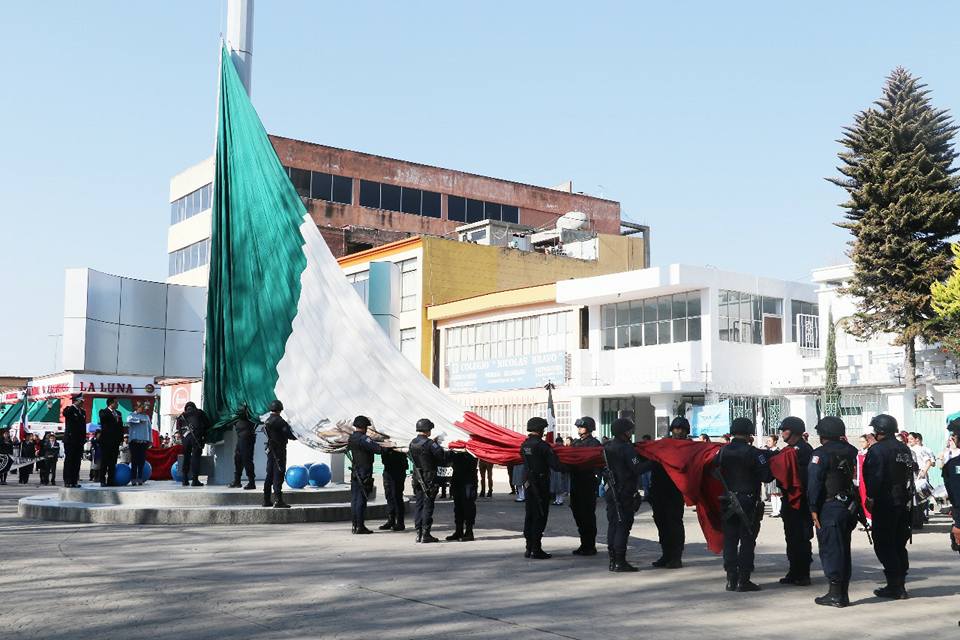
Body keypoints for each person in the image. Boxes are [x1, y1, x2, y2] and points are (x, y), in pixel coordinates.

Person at [714, 417, 772, 592]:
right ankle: (744, 579)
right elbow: (767, 477)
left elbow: (714, 470)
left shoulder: (722, 452)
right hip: (747, 501)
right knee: (747, 540)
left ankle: (731, 578)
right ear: (749, 433)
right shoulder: (755, 453)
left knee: (730, 540)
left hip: (728, 500)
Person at [807, 416, 859, 608]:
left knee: (831, 550)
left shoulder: (820, 454)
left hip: (829, 507)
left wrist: (812, 508)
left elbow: (814, 483)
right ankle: (841, 591)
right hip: (849, 507)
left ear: (822, 435)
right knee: (844, 548)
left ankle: (836, 594)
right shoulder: (852, 451)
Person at [862, 414, 914, 599]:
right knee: (899, 543)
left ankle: (895, 586)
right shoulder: (904, 448)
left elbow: (875, 476)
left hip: (886, 502)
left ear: (880, 431)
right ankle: (900, 583)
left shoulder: (878, 450)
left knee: (884, 543)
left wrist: (871, 496)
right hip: (903, 502)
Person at [604, 417, 647, 572]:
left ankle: (612, 560)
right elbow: (637, 468)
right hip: (624, 491)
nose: (631, 433)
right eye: (629, 430)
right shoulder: (626, 448)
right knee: (623, 525)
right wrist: (654, 462)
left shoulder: (607, 447)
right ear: (623, 432)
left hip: (611, 490)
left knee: (613, 525)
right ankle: (620, 562)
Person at [777, 416, 814, 587]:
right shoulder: (789, 450)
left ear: (793, 431)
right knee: (791, 537)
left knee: (801, 538)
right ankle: (794, 571)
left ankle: (803, 573)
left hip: (802, 502)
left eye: (784, 429)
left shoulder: (803, 450)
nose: (781, 433)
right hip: (790, 501)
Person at [649, 416, 689, 569]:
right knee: (661, 523)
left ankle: (676, 557)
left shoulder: (689, 448)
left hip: (675, 492)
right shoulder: (662, 445)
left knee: (674, 524)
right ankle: (666, 555)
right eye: (676, 429)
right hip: (658, 490)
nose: (678, 432)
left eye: (682, 429)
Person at [520, 416, 563, 559]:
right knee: (540, 516)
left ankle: (529, 547)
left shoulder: (524, 445)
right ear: (540, 429)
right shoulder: (543, 446)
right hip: (540, 485)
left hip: (528, 484)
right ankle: (536, 549)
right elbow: (555, 465)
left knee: (530, 515)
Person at [409, 418, 448, 543]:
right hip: (429, 478)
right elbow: (441, 457)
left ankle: (418, 533)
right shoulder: (430, 444)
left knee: (419, 505)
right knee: (428, 506)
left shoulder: (412, 442)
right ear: (427, 430)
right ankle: (426, 534)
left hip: (417, 477)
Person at [569, 416, 601, 556]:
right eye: (578, 427)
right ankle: (584, 543)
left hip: (587, 483)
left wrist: (596, 479)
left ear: (588, 428)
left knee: (588, 516)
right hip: (576, 483)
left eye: (581, 427)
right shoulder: (575, 443)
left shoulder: (594, 444)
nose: (579, 429)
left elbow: (598, 463)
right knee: (578, 515)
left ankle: (590, 545)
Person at [263, 400, 296, 509]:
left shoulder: (267, 421)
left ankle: (266, 500)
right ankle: (278, 501)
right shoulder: (281, 422)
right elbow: (290, 435)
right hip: (279, 451)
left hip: (270, 450)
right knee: (278, 473)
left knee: (269, 474)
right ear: (280, 409)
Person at [177, 401, 211, 487]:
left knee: (186, 458)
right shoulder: (199, 413)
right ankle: (195, 480)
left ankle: (185, 479)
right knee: (196, 458)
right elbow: (207, 424)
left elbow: (179, 429)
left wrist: (183, 438)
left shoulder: (181, 416)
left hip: (186, 439)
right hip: (197, 438)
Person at [447, 449, 479, 541]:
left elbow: (471, 461)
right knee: (458, 507)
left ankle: (469, 532)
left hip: (469, 480)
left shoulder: (471, 449)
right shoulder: (455, 450)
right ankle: (458, 531)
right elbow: (447, 459)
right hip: (457, 479)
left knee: (468, 506)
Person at [907, 432, 935, 529]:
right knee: (912, 499)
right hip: (911, 476)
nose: (909, 441)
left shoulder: (921, 449)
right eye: (908, 439)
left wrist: (923, 472)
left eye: (911, 439)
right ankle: (914, 520)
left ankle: (919, 521)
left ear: (916, 439)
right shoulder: (908, 449)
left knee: (920, 499)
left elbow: (929, 462)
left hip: (919, 476)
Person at [378, 445, 407, 531]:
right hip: (388, 470)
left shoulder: (398, 443)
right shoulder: (385, 444)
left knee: (397, 496)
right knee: (389, 495)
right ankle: (391, 520)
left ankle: (400, 522)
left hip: (398, 470)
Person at [228, 405, 257, 490]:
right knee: (238, 460)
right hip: (241, 441)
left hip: (247, 441)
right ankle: (237, 481)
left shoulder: (251, 419)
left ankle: (251, 482)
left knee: (247, 461)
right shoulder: (237, 420)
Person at [942, 419, 960, 554]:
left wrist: (958, 524)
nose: (952, 438)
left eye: (954, 434)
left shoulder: (954, 465)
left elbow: (957, 496)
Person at [62, 394, 86, 488]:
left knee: (77, 461)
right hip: (70, 440)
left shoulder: (82, 412)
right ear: (76, 401)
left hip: (79, 441)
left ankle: (74, 480)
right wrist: (73, 405)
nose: (82, 403)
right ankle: (68, 481)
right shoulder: (70, 409)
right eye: (81, 401)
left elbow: (83, 426)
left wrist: (84, 438)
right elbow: (65, 414)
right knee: (69, 461)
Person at [98, 398, 123, 486]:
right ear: (111, 403)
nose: (117, 405)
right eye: (116, 403)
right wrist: (113, 416)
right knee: (104, 461)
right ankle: (102, 480)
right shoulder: (103, 412)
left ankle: (111, 480)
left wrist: (121, 439)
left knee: (113, 462)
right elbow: (104, 418)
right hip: (106, 441)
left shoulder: (119, 413)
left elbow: (120, 427)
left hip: (115, 441)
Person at [126, 402, 152, 486]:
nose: (143, 409)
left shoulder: (146, 416)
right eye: (141, 407)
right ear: (137, 407)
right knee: (134, 461)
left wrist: (150, 440)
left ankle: (140, 478)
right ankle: (133, 478)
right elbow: (128, 421)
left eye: (144, 408)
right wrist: (138, 420)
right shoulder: (131, 415)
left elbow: (149, 429)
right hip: (134, 442)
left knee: (141, 461)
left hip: (143, 442)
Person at [762, 435, 781, 518]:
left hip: (777, 475)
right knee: (772, 494)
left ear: (775, 442)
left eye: (770, 441)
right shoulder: (767, 451)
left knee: (778, 494)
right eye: (768, 441)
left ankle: (778, 511)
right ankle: (774, 511)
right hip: (770, 475)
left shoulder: (778, 451)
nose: (768, 442)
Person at [550, 438, 568, 505]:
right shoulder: (562, 449)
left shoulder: (556, 449)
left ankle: (560, 500)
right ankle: (558, 499)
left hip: (559, 469)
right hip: (558, 469)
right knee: (557, 486)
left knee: (559, 486)